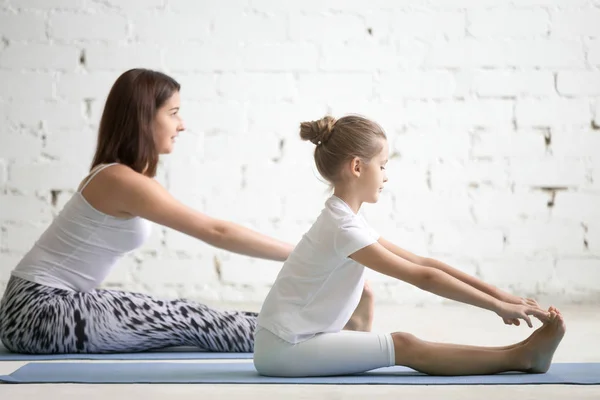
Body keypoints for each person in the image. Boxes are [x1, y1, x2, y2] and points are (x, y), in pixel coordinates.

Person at [0, 69, 374, 354]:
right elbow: (217, 232)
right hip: (38, 313)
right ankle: (316, 340)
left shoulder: (119, 176)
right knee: (192, 320)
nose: (182, 124)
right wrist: (310, 255)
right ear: (144, 118)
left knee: (189, 315)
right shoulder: (120, 179)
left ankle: (320, 332)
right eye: (174, 113)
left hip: (39, 308)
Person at [253, 114, 567, 377]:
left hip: (289, 338)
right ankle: (523, 357)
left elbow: (424, 263)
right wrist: (497, 307)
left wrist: (503, 296)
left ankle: (523, 351)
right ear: (358, 167)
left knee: (370, 299)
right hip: (285, 347)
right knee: (404, 345)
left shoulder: (344, 218)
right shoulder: (343, 227)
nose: (386, 177)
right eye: (383, 165)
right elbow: (422, 278)